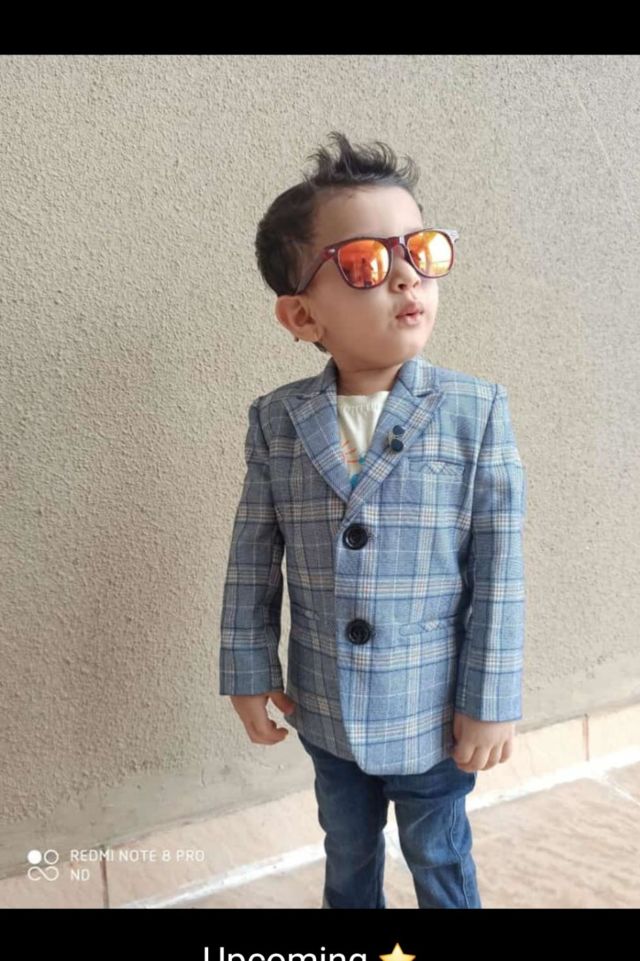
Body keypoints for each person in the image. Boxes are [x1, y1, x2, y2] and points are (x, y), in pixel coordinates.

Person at [218, 131, 528, 909]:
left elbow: (499, 571)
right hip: (326, 711)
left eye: (420, 250)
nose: (406, 276)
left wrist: (490, 698)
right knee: (347, 850)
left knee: (439, 853)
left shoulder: (475, 412)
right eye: (364, 263)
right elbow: (252, 558)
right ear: (301, 314)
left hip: (432, 712)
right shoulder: (278, 421)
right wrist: (249, 671)